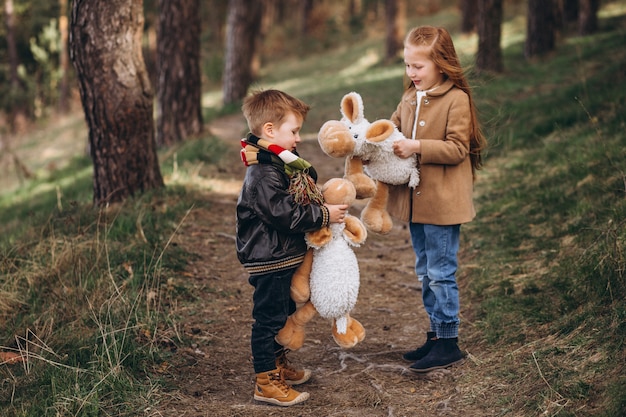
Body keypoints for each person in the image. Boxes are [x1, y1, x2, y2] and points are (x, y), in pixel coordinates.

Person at [236, 89, 348, 406]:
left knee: (283, 314)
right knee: (268, 320)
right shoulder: (262, 173)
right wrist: (324, 214)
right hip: (268, 259)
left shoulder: (277, 164)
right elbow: (284, 213)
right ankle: (265, 381)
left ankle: (278, 365)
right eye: (294, 131)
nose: (298, 138)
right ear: (270, 130)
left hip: (282, 257)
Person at [388, 26, 486, 373]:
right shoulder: (409, 98)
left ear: (441, 64)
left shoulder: (457, 99)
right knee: (424, 271)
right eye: (407, 66)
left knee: (441, 272)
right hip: (417, 205)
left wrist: (416, 147)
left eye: (418, 67)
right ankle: (434, 335)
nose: (411, 73)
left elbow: (457, 148)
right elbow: (393, 127)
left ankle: (449, 342)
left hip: (442, 205)